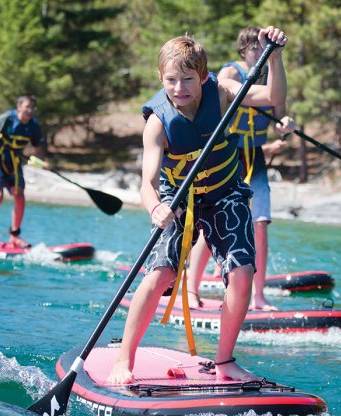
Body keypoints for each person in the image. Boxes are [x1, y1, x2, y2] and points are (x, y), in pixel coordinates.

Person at [107, 26, 290, 384]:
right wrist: (156, 207)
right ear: (161, 78)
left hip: (225, 192)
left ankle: (224, 362)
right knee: (161, 274)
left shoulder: (221, 92)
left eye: (188, 80)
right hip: (178, 199)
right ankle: (123, 359)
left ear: (203, 76)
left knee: (242, 272)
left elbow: (271, 95)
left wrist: (277, 58)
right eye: (171, 80)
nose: (179, 89)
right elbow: (146, 182)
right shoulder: (157, 121)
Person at [186, 27, 296, 311]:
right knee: (214, 225)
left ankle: (258, 297)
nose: (259, 53)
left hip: (254, 156)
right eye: (254, 49)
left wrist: (285, 127)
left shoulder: (272, 77)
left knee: (260, 224)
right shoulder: (231, 73)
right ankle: (190, 289)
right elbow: (214, 96)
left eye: (262, 49)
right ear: (243, 51)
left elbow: (279, 114)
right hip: (227, 154)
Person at [0, 95, 49, 248]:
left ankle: (14, 236)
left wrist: (43, 162)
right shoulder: (7, 119)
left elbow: (38, 148)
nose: (30, 110)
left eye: (33, 108)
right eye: (27, 107)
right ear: (19, 107)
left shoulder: (34, 127)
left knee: (20, 196)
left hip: (14, 162)